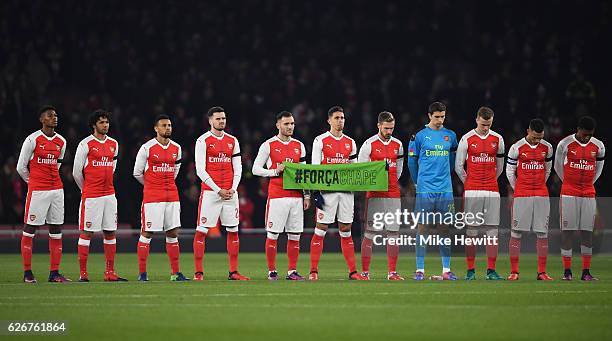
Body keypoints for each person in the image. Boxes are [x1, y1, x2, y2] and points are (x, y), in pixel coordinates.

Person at [193, 106, 250, 281]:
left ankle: (233, 272)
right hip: (211, 193)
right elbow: (200, 170)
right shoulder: (202, 141)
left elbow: (238, 167)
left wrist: (233, 188)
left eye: (223, 118)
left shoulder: (233, 141)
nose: (222, 121)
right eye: (218, 119)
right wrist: (218, 190)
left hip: (230, 193)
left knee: (233, 230)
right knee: (202, 231)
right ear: (210, 120)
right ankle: (198, 272)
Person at [252, 111, 311, 280]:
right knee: (273, 234)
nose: (290, 126)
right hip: (277, 196)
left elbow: (304, 173)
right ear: (278, 125)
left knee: (295, 235)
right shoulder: (268, 145)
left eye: (292, 123)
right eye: (286, 124)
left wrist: (306, 195)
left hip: (296, 197)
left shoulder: (299, 145)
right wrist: (274, 171)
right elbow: (255, 169)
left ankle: (292, 271)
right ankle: (272, 271)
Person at [309, 106, 365, 280]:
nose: (340, 121)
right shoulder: (320, 140)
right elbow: (315, 168)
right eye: (337, 118)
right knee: (321, 228)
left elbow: (355, 168)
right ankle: (313, 271)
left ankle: (353, 271)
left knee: (346, 229)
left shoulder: (351, 142)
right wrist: (316, 192)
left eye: (342, 118)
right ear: (329, 120)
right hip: (327, 192)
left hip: (346, 192)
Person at [16, 105, 70, 283]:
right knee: (30, 228)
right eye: (50, 115)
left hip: (57, 190)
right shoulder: (32, 139)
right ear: (41, 119)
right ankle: (27, 273)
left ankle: (54, 273)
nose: (54, 118)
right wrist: (32, 182)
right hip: (38, 190)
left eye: (55, 115)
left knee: (56, 229)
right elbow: (21, 167)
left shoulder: (61, 141)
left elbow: (57, 164)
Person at [133, 114, 188, 281]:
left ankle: (175, 273)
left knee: (172, 233)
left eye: (169, 125)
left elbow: (175, 172)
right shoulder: (147, 148)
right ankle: (142, 273)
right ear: (156, 128)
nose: (167, 128)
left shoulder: (177, 148)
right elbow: (137, 173)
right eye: (163, 125)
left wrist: (165, 185)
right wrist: (151, 185)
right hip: (152, 197)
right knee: (147, 232)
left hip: (172, 195)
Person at [73, 109, 126, 282]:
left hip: (109, 195)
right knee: (87, 232)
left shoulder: (114, 144)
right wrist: (85, 189)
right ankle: (83, 274)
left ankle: (110, 273)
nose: (105, 125)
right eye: (102, 122)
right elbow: (76, 172)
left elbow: (113, 167)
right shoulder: (85, 144)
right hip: (92, 195)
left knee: (110, 232)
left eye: (107, 122)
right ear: (94, 125)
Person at [407, 102, 458, 280]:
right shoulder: (419, 137)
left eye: (442, 116)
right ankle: (420, 269)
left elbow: (452, 161)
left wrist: (445, 177)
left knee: (444, 228)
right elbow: (411, 163)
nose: (439, 120)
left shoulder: (450, 136)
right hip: (425, 189)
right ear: (429, 116)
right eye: (436, 116)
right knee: (423, 228)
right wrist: (417, 183)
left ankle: (446, 269)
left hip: (444, 189)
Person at [454, 106, 505, 280]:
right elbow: (459, 166)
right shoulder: (467, 139)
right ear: (477, 120)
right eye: (483, 124)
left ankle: (491, 270)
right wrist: (470, 183)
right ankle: (471, 270)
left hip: (492, 189)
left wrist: (490, 180)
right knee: (472, 230)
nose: (486, 128)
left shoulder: (498, 139)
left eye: (489, 124)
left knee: (492, 230)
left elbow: (500, 166)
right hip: (473, 190)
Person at [555, 116, 605, 281]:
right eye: (584, 134)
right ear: (578, 129)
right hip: (569, 192)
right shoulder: (565, 144)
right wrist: (569, 183)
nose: (587, 138)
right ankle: (567, 271)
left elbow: (598, 170)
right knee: (567, 231)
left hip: (588, 193)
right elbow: (557, 166)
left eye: (590, 135)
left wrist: (588, 184)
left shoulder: (599, 146)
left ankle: (586, 272)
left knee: (587, 232)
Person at [358, 111, 404, 280]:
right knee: (370, 233)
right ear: (378, 125)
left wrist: (389, 183)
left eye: (391, 128)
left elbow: (398, 171)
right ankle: (365, 272)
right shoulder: (368, 144)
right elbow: (360, 169)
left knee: (393, 233)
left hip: (392, 194)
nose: (389, 131)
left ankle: (392, 272)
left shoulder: (398, 144)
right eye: (386, 128)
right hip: (374, 195)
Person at [506, 118, 554, 281]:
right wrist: (518, 188)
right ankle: (514, 272)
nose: (537, 140)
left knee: (542, 233)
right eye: (534, 137)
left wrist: (539, 185)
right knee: (516, 232)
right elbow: (510, 172)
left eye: (540, 138)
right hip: (522, 194)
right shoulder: (516, 147)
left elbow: (548, 170)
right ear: (528, 131)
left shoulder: (548, 148)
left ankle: (542, 272)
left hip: (541, 194)